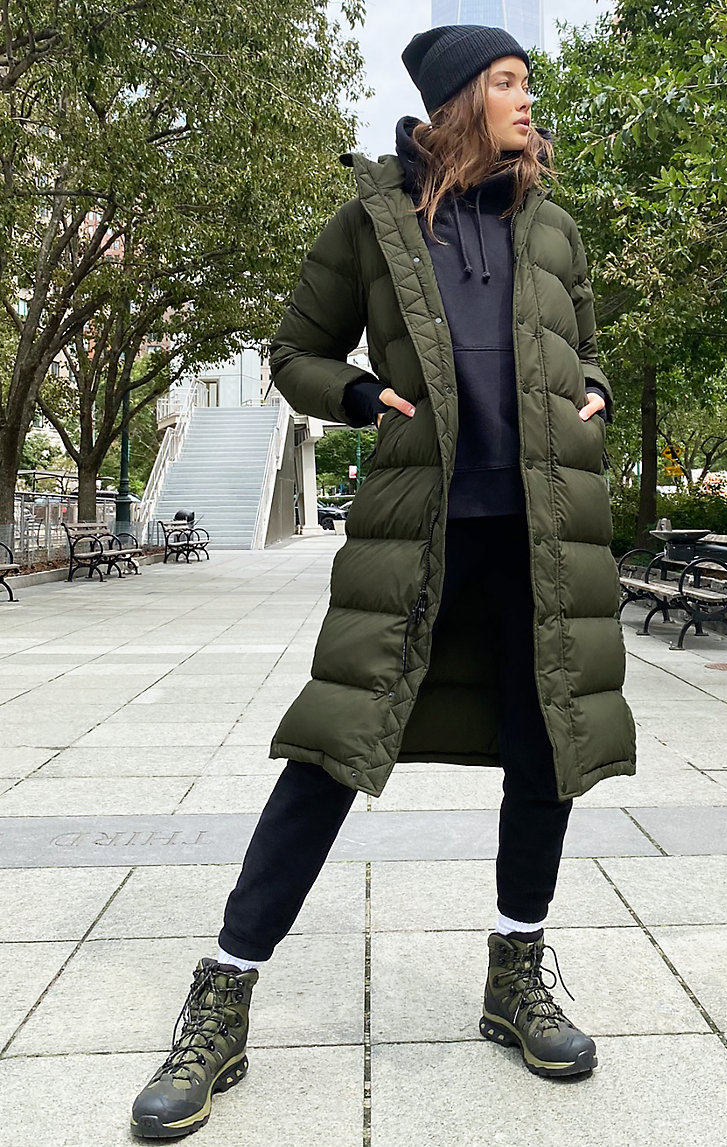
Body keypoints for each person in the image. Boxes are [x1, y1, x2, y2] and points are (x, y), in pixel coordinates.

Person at [130, 23, 636, 1140]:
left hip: (542, 531)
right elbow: (295, 353)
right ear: (458, 102)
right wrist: (363, 398)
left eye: (527, 82)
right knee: (331, 749)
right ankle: (224, 994)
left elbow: (586, 345)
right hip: (419, 530)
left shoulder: (552, 225)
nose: (528, 99)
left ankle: (516, 974)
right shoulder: (369, 223)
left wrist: (593, 390)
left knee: (545, 744)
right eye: (507, 82)